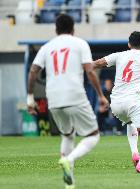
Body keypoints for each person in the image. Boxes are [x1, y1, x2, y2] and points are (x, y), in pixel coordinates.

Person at [27, 14, 109, 189]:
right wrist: (101, 96)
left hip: (54, 98)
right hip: (75, 95)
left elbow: (33, 71)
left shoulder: (47, 47)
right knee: (93, 136)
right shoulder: (80, 44)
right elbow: (89, 71)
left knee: (67, 134)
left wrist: (30, 98)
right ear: (73, 29)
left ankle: (69, 183)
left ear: (56, 29)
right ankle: (68, 159)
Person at [92, 31, 140, 173]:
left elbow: (97, 63)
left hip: (115, 103)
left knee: (130, 122)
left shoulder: (119, 55)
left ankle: (135, 153)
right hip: (132, 101)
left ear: (129, 44)